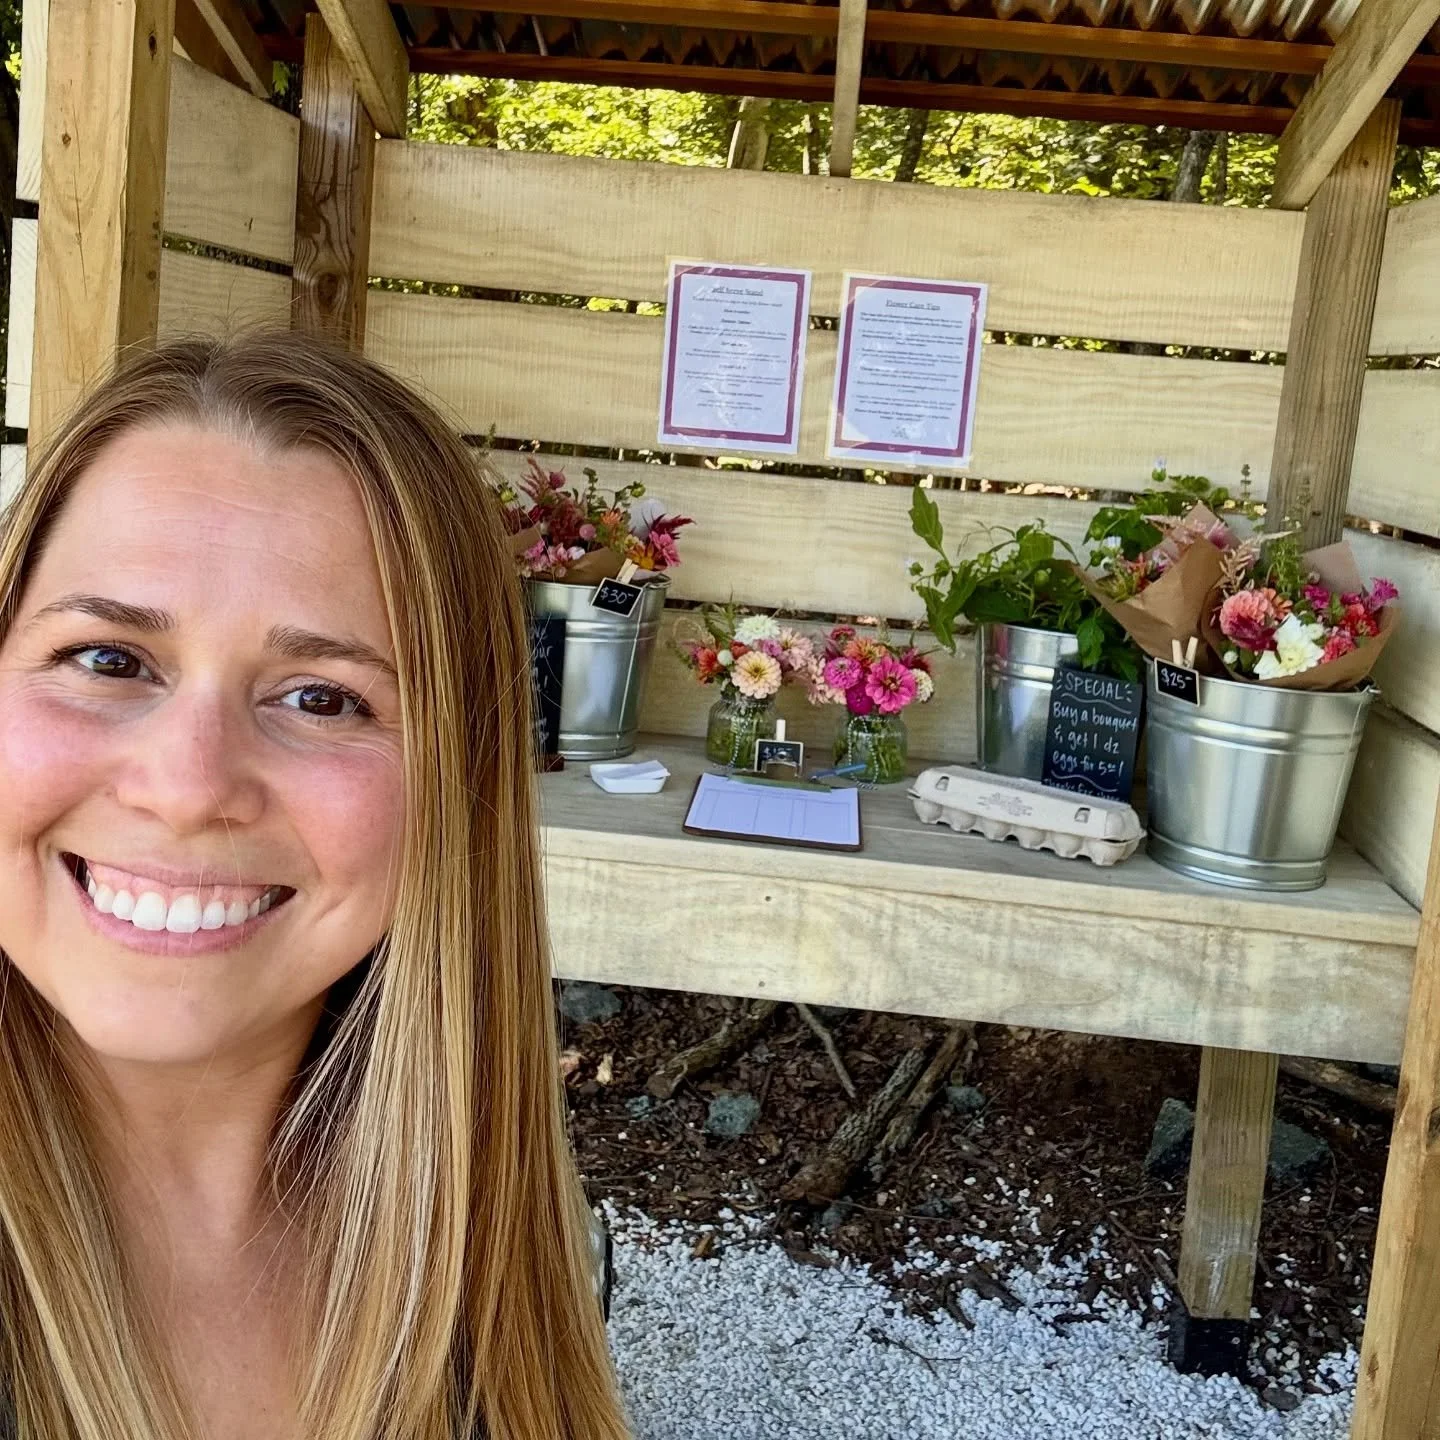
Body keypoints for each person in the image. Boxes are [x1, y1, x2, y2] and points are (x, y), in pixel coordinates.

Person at [0, 333, 629, 1440]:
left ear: (456, 785)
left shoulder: (511, 1253)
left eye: (322, 699)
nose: (189, 787)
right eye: (108, 659)